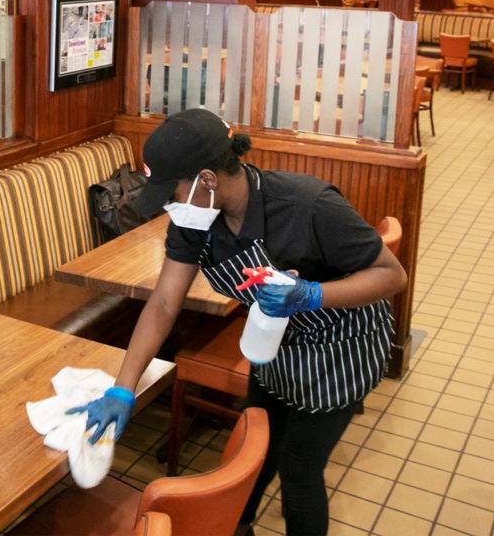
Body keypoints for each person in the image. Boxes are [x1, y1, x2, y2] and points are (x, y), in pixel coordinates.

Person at [69, 109, 407, 536]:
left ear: (208, 179)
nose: (170, 206)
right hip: (274, 344)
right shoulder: (195, 219)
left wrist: (312, 295)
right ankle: (239, 527)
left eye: (172, 193)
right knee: (255, 450)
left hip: (340, 346)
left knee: (299, 471)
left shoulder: (308, 205)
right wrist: (123, 387)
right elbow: (164, 303)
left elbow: (392, 275)